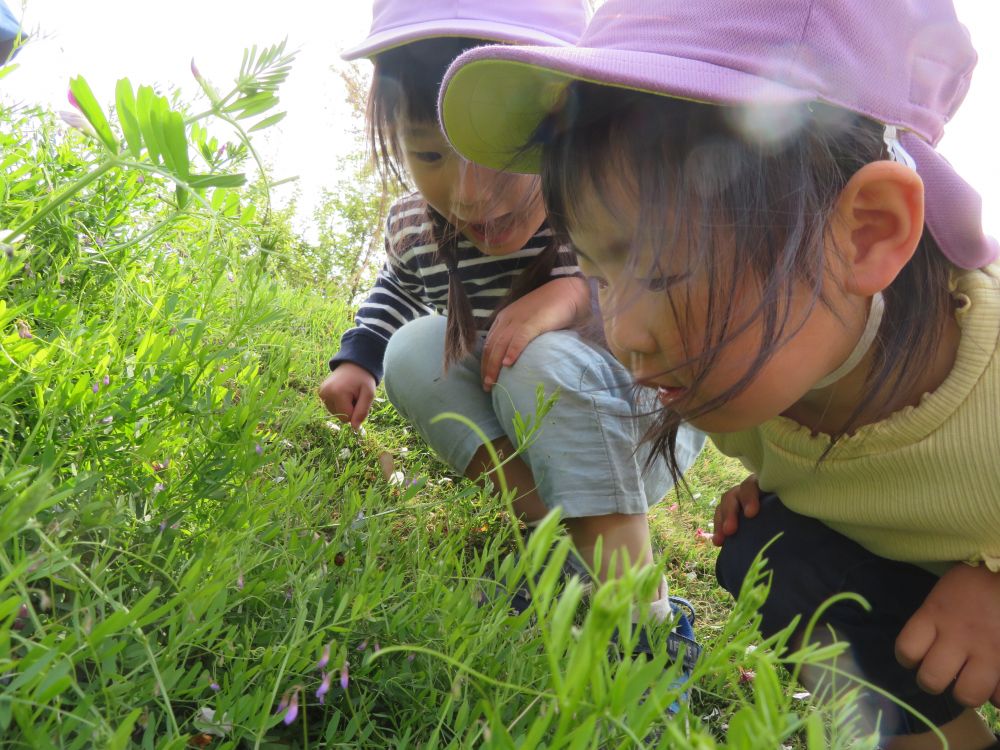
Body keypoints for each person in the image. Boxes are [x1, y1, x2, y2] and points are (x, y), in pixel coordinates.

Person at [437, 1, 1000, 748]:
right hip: (929, 615)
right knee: (766, 547)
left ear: (868, 231)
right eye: (602, 274)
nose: (627, 333)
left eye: (667, 271)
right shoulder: (755, 388)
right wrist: (797, 490)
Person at [321, 0, 705, 667]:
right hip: (536, 435)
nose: (471, 194)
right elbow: (396, 289)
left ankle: (646, 623)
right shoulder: (417, 227)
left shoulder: (605, 200)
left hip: (642, 423)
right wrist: (358, 359)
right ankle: (556, 543)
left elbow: (674, 297)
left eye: (500, 151)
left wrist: (570, 295)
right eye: (431, 153)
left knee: (540, 358)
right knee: (414, 348)